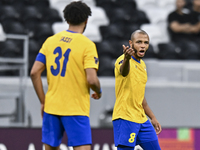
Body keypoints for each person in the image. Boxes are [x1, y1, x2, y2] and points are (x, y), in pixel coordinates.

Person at [30, 1, 102, 150]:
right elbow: (92, 79)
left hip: (51, 108)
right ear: (86, 20)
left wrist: (44, 102)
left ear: (67, 20)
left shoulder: (50, 41)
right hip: (75, 109)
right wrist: (98, 91)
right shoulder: (87, 45)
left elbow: (34, 72)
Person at [112, 30, 162, 150]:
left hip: (142, 119)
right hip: (125, 117)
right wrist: (127, 59)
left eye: (146, 42)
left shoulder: (143, 65)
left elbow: (140, 96)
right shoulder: (123, 60)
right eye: (139, 42)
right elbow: (124, 72)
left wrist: (153, 117)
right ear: (131, 43)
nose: (143, 45)